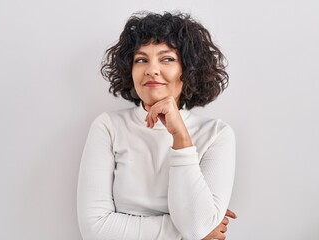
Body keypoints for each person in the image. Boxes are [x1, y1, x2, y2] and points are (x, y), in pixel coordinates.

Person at [77, 11, 237, 240]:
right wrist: (198, 231)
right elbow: (95, 230)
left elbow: (195, 226)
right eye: (141, 60)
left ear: (188, 69)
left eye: (167, 59)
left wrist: (181, 137)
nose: (151, 69)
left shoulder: (217, 135)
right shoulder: (108, 126)